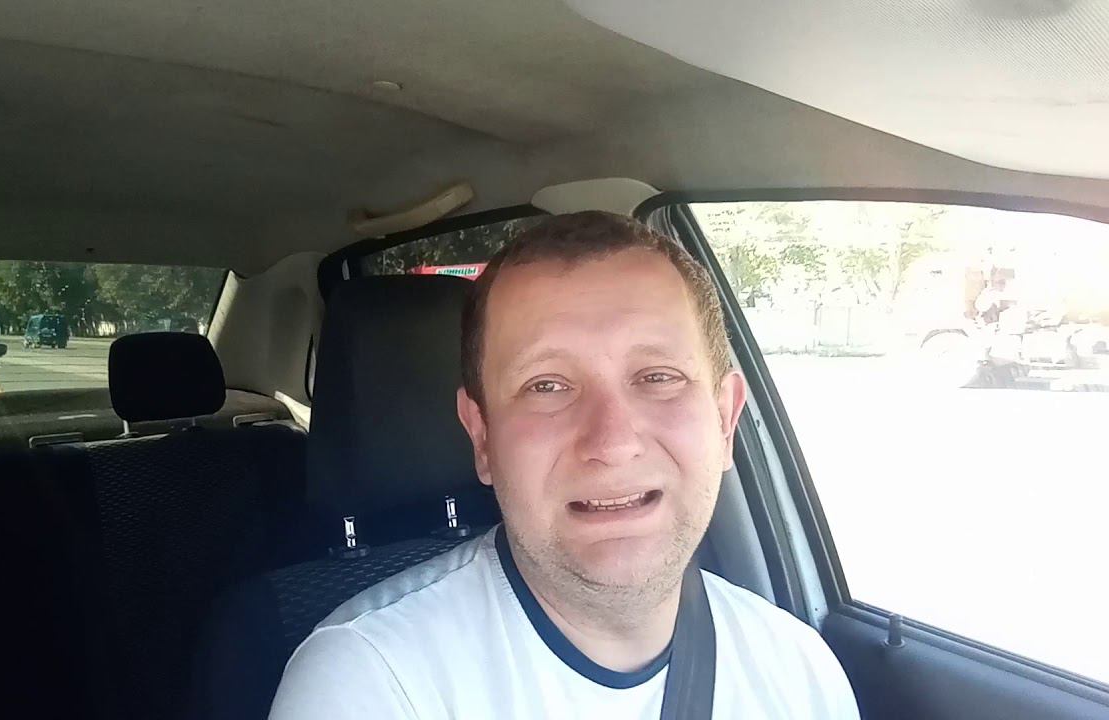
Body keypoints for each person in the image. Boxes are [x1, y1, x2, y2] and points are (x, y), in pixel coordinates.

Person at [270, 211, 859, 718]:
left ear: (725, 420)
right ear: (482, 436)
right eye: (547, 385)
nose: (612, 442)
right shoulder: (371, 683)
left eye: (658, 376)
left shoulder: (800, 672)